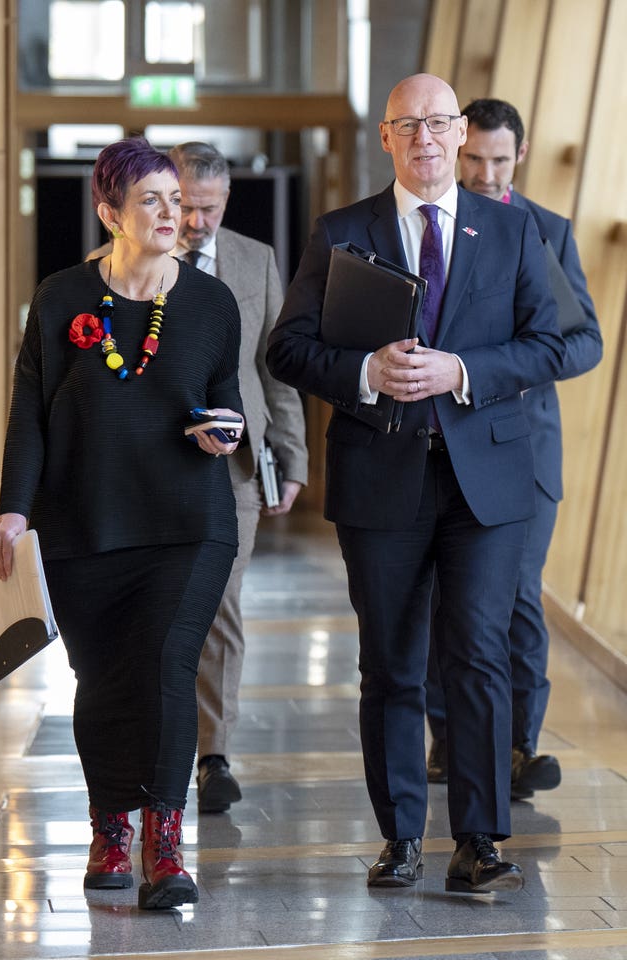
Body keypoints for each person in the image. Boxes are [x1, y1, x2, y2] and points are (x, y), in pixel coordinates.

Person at [267, 73, 566, 893]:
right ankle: (400, 836)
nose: (428, 139)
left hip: (487, 486)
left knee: (476, 654)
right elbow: (287, 349)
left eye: (442, 123)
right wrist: (364, 370)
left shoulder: (509, 235)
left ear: (461, 131)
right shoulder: (342, 231)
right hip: (381, 478)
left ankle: (478, 841)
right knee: (393, 664)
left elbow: (556, 343)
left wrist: (463, 368)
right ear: (388, 138)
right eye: (411, 126)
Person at [0, 137, 244, 910]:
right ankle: (110, 827)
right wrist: (12, 506)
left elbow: (227, 400)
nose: (174, 215)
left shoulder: (210, 303)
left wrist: (226, 433)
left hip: (188, 524)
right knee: (99, 682)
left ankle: (165, 842)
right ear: (110, 212)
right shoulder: (64, 297)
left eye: (177, 201)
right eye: (153, 203)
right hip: (84, 525)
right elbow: (30, 412)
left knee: (166, 668)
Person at [425, 98, 602, 799]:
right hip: (446, 444)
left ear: (520, 156)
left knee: (520, 597)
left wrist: (513, 365)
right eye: (476, 159)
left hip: (526, 450)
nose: (488, 173)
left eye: (501, 160)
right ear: (458, 151)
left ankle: (522, 745)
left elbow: (584, 340)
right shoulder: (433, 230)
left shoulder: (545, 231)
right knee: (450, 595)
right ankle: (447, 737)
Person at [167, 141, 308, 813]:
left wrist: (294, 459)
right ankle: (157, 743)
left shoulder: (256, 260)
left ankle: (214, 753)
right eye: (189, 207)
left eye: (211, 208)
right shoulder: (132, 258)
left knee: (222, 604)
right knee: (156, 606)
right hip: (153, 465)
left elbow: (275, 366)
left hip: (237, 465)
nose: (197, 222)